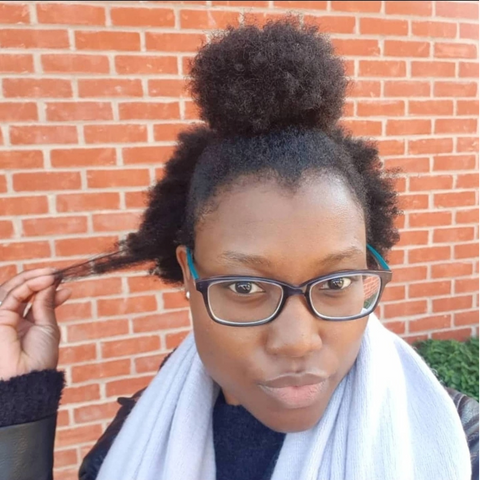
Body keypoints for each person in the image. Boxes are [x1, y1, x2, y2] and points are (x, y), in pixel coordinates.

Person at [0, 18, 478, 480]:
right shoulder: (138, 438)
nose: (296, 340)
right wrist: (19, 410)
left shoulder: (460, 443)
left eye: (337, 283)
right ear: (190, 275)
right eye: (246, 286)